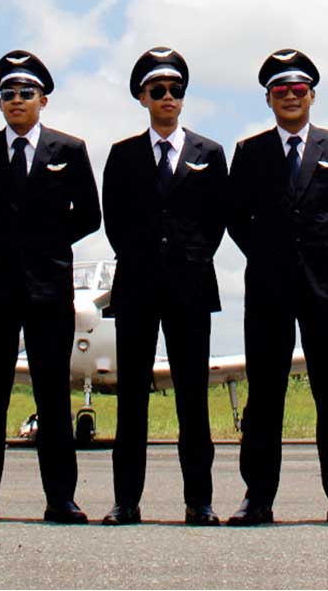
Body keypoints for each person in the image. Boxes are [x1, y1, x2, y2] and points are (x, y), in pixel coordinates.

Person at [0, 51, 100, 524]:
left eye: (26, 93)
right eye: (8, 94)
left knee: (52, 394)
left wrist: (48, 242)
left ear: (44, 99)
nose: (17, 101)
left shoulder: (69, 150)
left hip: (49, 289)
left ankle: (61, 498)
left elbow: (90, 215)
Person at [225, 49, 328, 526]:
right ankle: (258, 497)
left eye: (299, 90)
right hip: (268, 288)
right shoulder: (250, 152)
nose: (291, 97)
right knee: (264, 395)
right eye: (281, 91)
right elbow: (234, 218)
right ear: (269, 99)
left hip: (324, 288)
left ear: (312, 95)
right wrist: (266, 257)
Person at [99, 47, 230, 526]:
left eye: (176, 90)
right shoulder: (122, 155)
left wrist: (189, 259)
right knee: (131, 399)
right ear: (143, 97)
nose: (168, 98)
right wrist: (143, 259)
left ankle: (200, 501)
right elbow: (113, 220)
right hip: (136, 289)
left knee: (193, 398)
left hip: (191, 288)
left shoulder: (209, 154)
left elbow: (218, 220)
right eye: (159, 91)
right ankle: (125, 501)